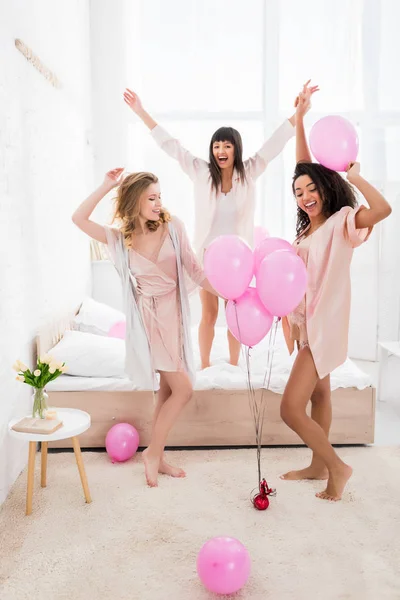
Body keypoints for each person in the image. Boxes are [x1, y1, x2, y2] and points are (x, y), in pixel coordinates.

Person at [123, 82, 318, 369]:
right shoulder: (201, 172)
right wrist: (141, 112)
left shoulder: (249, 171)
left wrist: (297, 115)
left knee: (235, 314)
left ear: (235, 148)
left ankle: (234, 364)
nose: (220, 150)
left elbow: (275, 144)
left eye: (227, 145)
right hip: (208, 258)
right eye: (216, 145)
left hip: (239, 260)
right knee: (209, 314)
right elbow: (172, 147)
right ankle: (204, 364)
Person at [279, 87, 392, 501]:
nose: (305, 197)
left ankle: (337, 467)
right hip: (308, 322)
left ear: (327, 186)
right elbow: (303, 165)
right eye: (298, 192)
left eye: (311, 189)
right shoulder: (307, 229)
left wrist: (355, 176)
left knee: (290, 408)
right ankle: (317, 466)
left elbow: (383, 211)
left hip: (324, 324)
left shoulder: (345, 220)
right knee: (320, 393)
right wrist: (301, 121)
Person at [72, 169, 217, 487]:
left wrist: (226, 292)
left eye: (160, 196)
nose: (158, 202)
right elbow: (78, 219)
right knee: (183, 389)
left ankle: (158, 455)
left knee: (167, 390)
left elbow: (193, 267)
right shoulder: (119, 238)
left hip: (174, 318)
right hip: (149, 324)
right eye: (151, 197)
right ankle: (152, 453)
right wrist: (106, 184)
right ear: (134, 201)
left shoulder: (173, 226)